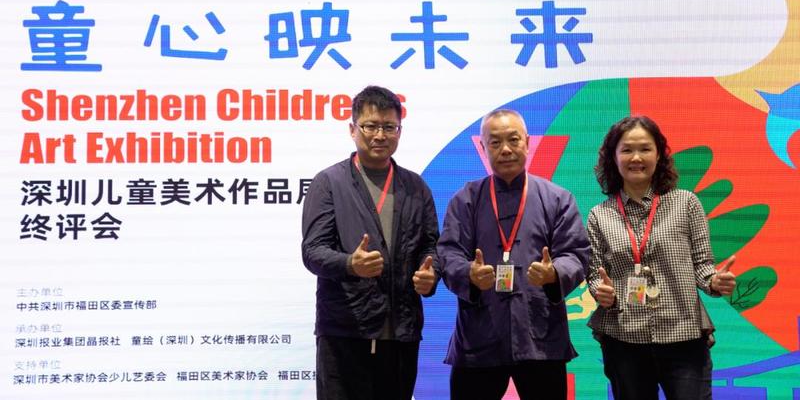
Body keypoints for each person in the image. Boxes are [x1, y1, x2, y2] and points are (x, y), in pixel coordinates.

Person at [437, 108, 590, 400]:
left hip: (540, 337)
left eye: (513, 140)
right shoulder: (465, 199)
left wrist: (554, 273)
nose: (505, 149)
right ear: (483, 148)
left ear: (527, 143)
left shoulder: (557, 198)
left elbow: (576, 253)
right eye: (495, 142)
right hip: (479, 337)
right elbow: (448, 252)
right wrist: (469, 274)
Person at [301, 85, 439, 400]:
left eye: (389, 127)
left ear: (400, 131)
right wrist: (350, 264)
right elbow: (312, 251)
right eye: (370, 126)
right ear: (353, 130)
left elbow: (431, 246)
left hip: (401, 333)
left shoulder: (416, 187)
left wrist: (431, 275)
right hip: (346, 332)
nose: (380, 135)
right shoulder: (329, 183)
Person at [586, 115, 737, 399]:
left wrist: (714, 282)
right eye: (627, 150)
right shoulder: (599, 215)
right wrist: (600, 291)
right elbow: (595, 274)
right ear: (613, 157)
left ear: (659, 154)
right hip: (624, 339)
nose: (636, 158)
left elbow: (702, 266)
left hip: (683, 335)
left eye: (645, 148)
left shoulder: (686, 203)